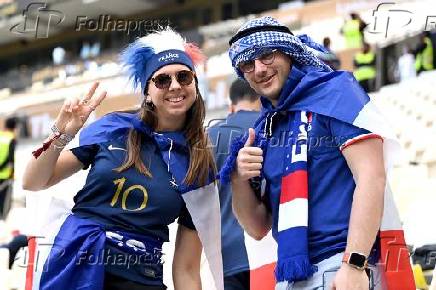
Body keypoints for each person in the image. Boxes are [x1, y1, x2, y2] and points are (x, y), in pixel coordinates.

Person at [221, 16, 415, 290]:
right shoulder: (264, 129)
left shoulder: (335, 92)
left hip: (342, 267)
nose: (259, 69)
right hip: (289, 277)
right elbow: (257, 227)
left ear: (288, 52)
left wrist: (354, 263)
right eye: (247, 65)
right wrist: (239, 179)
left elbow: (372, 176)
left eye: (266, 56)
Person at [22, 28, 223, 290]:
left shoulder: (199, 164)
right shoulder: (114, 128)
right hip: (76, 267)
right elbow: (34, 180)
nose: (175, 86)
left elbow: (186, 270)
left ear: (195, 84)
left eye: (184, 77)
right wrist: (62, 133)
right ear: (147, 91)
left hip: (141, 279)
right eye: (162, 80)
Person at [207, 79, 260, 290]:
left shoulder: (209, 137)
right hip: (269, 249)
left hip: (227, 254)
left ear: (231, 106)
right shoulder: (274, 126)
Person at [0, 116, 17, 220]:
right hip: (5, 175)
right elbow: (10, 159)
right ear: (15, 127)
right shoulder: (12, 138)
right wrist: (12, 174)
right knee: (4, 202)